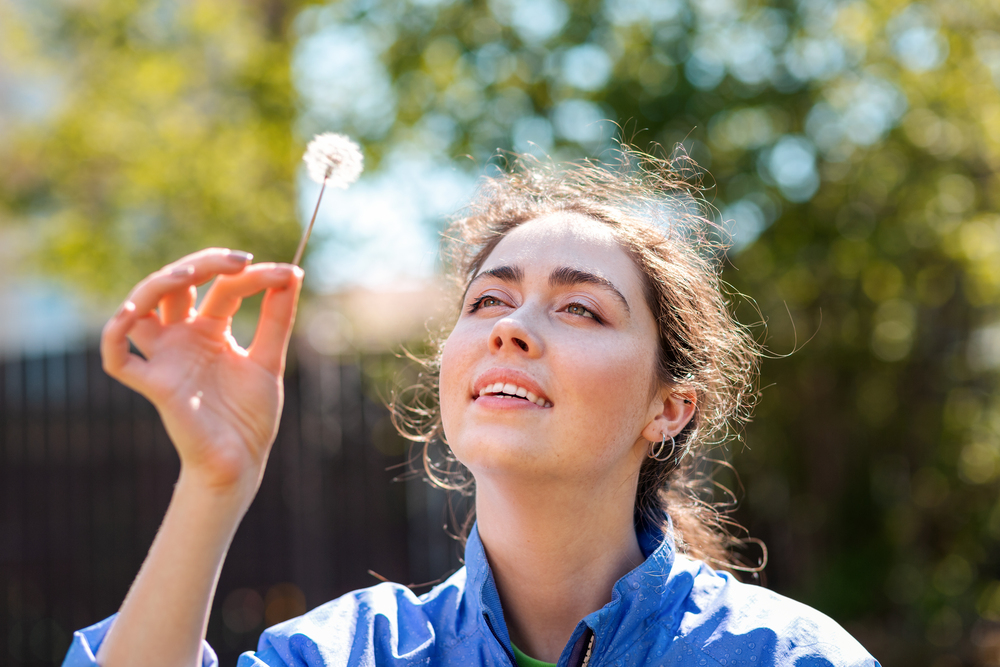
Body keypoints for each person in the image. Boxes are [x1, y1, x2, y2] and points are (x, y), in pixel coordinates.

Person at [62, 149, 880, 667]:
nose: (512, 330)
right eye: (488, 300)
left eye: (580, 309)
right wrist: (213, 482)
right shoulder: (346, 654)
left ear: (667, 408)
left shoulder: (785, 656)